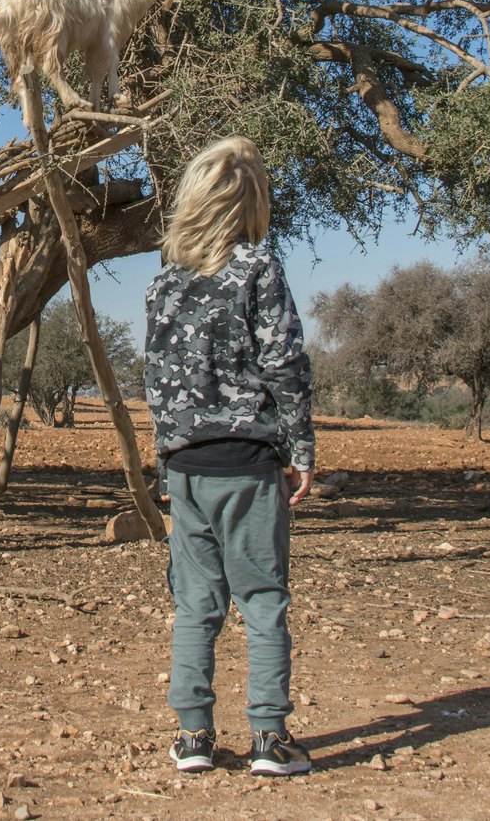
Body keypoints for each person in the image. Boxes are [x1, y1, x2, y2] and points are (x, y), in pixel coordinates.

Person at [141, 136, 314, 777]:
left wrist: (165, 463)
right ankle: (270, 738)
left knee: (196, 604)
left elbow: (156, 380)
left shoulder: (163, 284)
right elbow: (284, 365)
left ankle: (193, 738)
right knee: (263, 598)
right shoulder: (260, 269)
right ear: (252, 200)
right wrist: (302, 448)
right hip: (249, 465)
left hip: (185, 468)